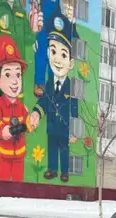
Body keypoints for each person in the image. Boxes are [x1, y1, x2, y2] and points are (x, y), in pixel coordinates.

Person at [32, 12, 80, 181]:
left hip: (65, 128)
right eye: (53, 52)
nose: (58, 60)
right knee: (52, 147)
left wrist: (75, 130)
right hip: (52, 125)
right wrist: (37, 112)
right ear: (48, 53)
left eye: (63, 55)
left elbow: (74, 108)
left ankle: (65, 171)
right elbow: (44, 100)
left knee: (64, 149)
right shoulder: (49, 83)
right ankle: (52, 169)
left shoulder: (72, 86)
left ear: (71, 63)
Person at [0, 36, 41, 182]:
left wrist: (32, 121)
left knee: (18, 183)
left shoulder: (21, 106)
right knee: (4, 183)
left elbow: (27, 123)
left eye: (18, 74)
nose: (15, 81)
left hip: (20, 155)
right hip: (4, 154)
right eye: (8, 74)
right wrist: (5, 131)